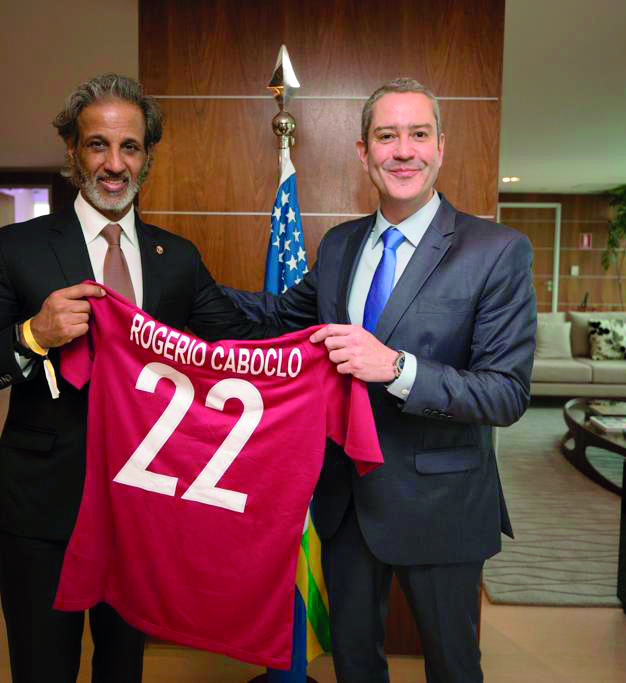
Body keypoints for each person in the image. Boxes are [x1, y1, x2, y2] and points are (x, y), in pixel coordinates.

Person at [0, 73, 276, 683]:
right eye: (98, 145)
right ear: (73, 151)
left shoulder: (175, 258)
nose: (114, 164)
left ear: (148, 156)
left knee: (123, 669)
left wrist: (323, 333)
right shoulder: (15, 250)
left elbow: (234, 345)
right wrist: (32, 335)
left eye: (130, 147)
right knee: (43, 668)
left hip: (140, 513)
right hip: (43, 512)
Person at [227, 78, 536, 682]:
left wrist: (396, 368)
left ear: (441, 147)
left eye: (418, 134)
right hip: (345, 503)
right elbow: (277, 319)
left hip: (445, 504)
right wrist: (179, 289)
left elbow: (506, 393)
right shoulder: (340, 245)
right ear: (363, 153)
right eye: (386, 136)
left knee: (452, 667)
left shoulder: (496, 250)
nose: (403, 151)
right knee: (353, 663)